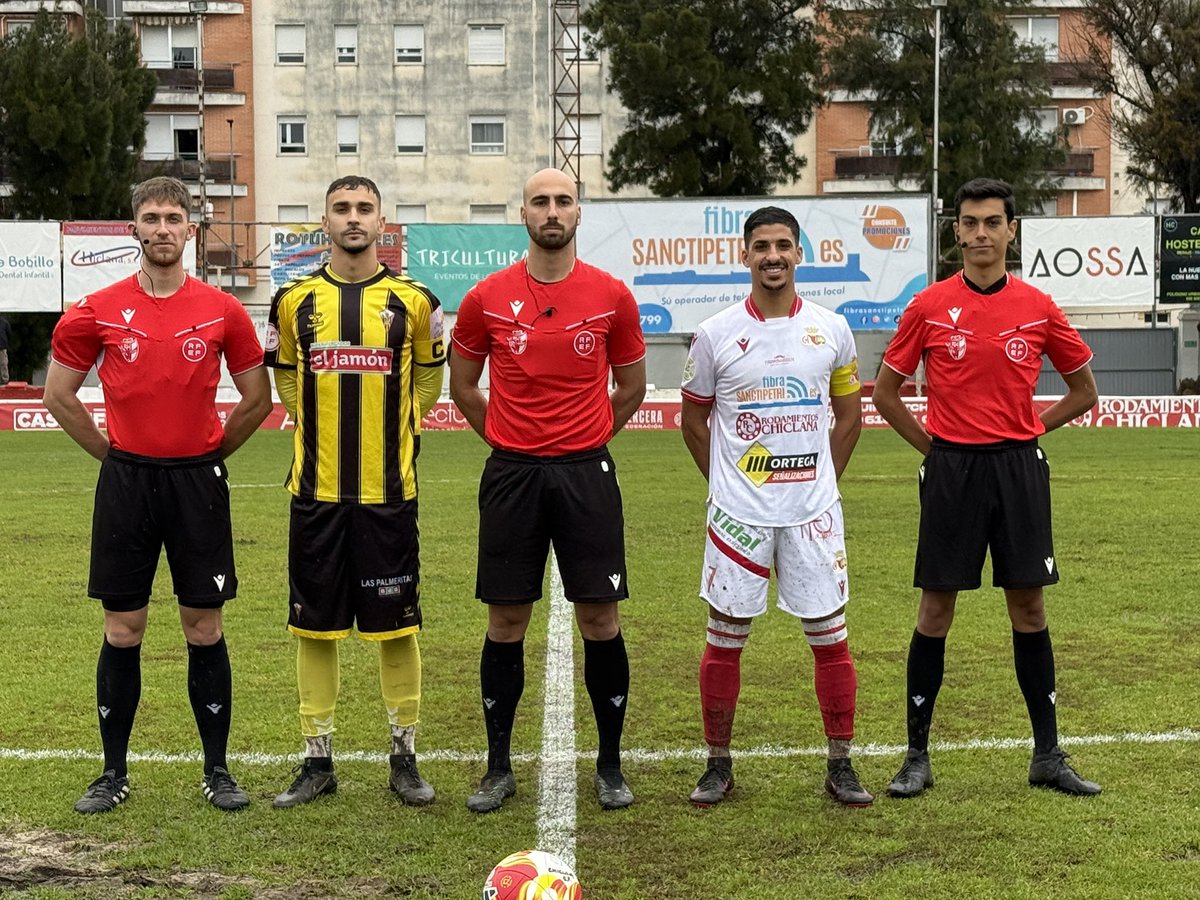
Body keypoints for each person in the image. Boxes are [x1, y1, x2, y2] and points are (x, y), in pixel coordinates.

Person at [43, 175, 272, 814]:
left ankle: (218, 771)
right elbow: (58, 395)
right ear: (135, 228)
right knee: (124, 627)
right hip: (127, 483)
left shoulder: (223, 309)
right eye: (153, 218)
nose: (164, 228)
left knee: (204, 624)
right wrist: (112, 455)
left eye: (175, 218)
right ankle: (112, 772)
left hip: (197, 482)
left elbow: (257, 401)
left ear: (189, 231)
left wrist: (209, 456)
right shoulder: (96, 308)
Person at [872, 177, 1101, 798]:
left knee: (1029, 607)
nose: (980, 233)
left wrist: (1030, 428)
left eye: (992, 222)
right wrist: (936, 450)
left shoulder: (1037, 306)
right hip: (953, 472)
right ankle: (916, 755)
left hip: (1018, 470)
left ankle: (1048, 754)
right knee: (935, 609)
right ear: (955, 233)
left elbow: (1085, 391)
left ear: (1011, 230)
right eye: (969, 223)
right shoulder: (927, 306)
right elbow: (887, 394)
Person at [449, 167, 647, 813]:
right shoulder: (486, 297)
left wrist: (585, 440)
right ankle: (498, 767)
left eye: (563, 200)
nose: (552, 210)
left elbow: (632, 387)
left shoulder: (613, 296)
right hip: (512, 476)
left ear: (579, 214)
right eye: (541, 201)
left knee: (600, 618)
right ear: (524, 214)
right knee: (506, 620)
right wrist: (510, 441)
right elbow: (463, 386)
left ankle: (611, 766)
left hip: (587, 473)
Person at [680, 206, 873, 809]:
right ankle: (718, 765)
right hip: (739, 514)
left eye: (783, 245)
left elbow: (849, 417)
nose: (772, 256)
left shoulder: (832, 330)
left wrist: (819, 486)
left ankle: (840, 764)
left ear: (798, 254)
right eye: (761, 246)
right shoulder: (714, 335)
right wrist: (728, 486)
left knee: (830, 638)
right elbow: (693, 419)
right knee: (725, 637)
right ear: (745, 255)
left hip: (813, 514)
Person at [264, 175, 446, 808]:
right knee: (314, 628)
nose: (353, 219)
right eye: (341, 209)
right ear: (325, 219)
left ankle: (404, 755)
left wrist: (392, 435)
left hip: (388, 493)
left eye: (364, 209)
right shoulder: (293, 300)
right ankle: (318, 762)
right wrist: (319, 426)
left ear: (381, 220)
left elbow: (427, 384)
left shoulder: (416, 300)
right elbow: (288, 384)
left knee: (397, 627)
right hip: (315, 493)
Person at [0, 313, 11, 385]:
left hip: (2, 347)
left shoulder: (4, 322)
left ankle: (5, 380)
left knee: (3, 364)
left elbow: (9, 334)